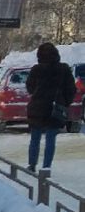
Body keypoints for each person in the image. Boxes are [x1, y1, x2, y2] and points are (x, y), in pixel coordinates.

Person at [25, 42, 75, 171]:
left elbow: (30, 87)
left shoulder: (36, 69)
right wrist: (64, 103)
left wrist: (38, 94)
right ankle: (46, 167)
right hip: (55, 108)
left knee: (35, 138)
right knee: (51, 139)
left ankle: (32, 164)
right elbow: (71, 89)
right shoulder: (64, 69)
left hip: (37, 108)